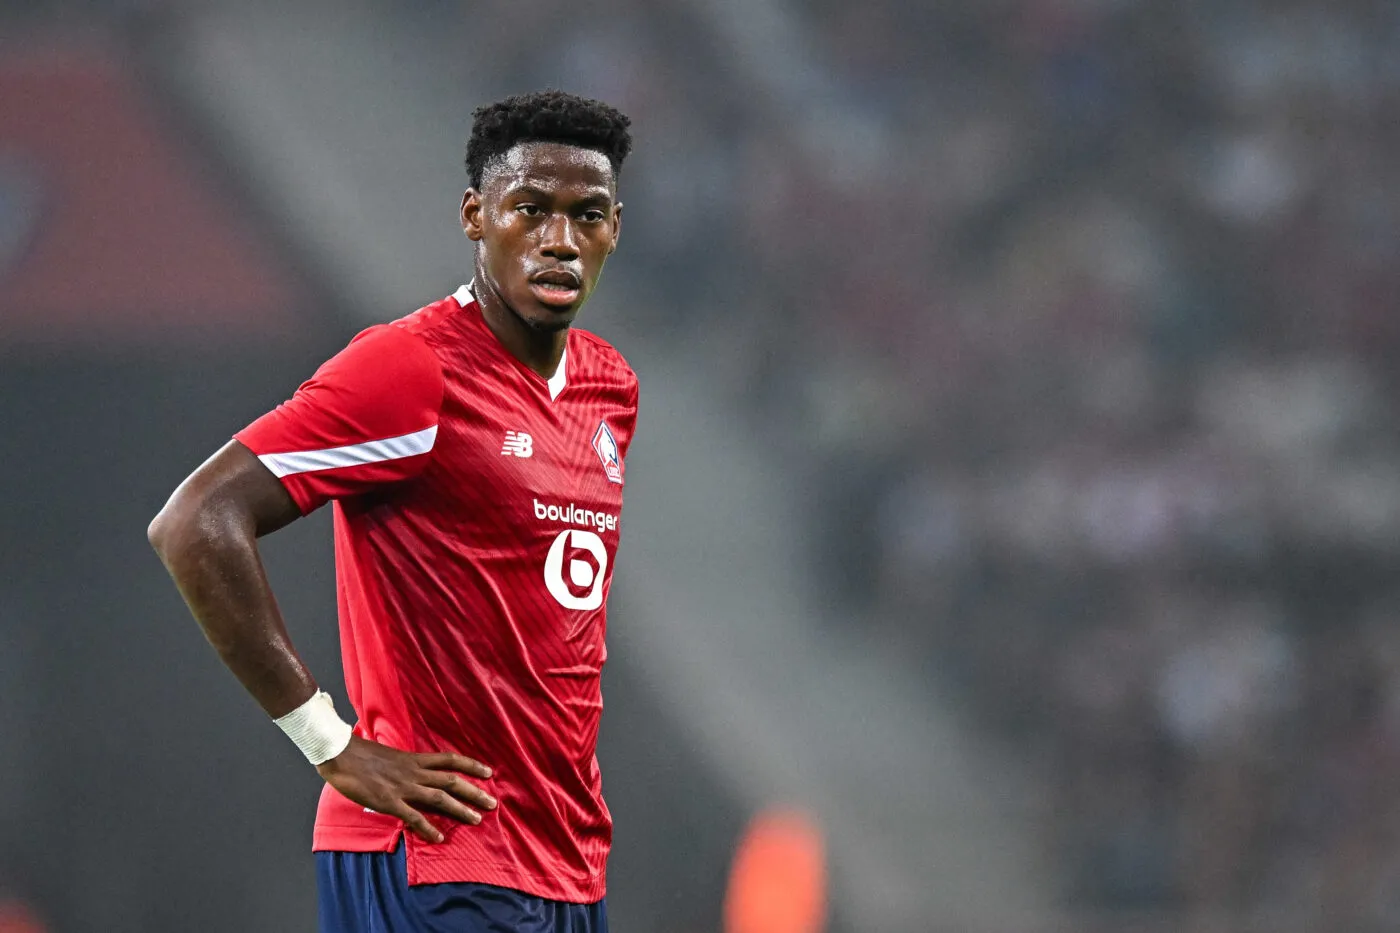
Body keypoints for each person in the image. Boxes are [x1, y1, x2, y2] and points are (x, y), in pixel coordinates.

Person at [148, 90, 637, 933]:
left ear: (615, 228)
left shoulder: (609, 386)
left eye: (586, 216)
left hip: (566, 859)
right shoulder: (411, 370)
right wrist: (328, 741)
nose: (560, 241)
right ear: (476, 216)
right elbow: (196, 520)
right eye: (531, 210)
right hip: (434, 853)